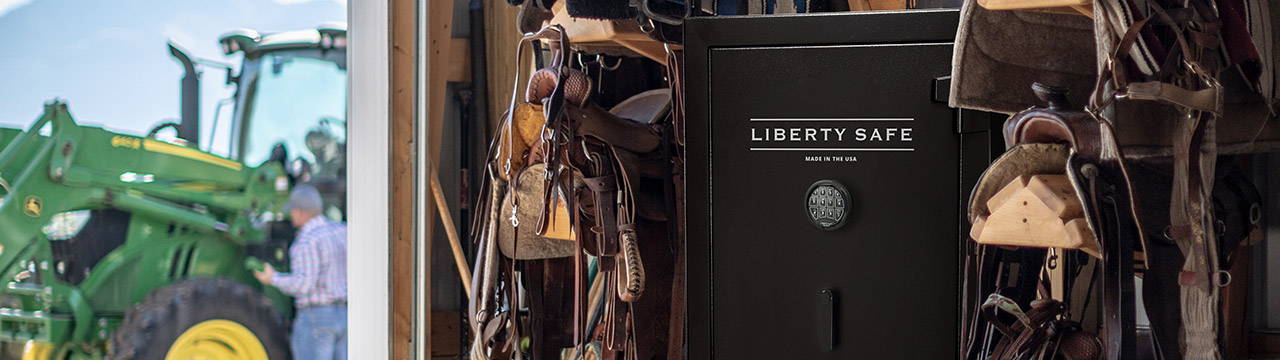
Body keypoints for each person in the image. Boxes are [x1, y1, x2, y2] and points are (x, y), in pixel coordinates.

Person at [254, 184, 348, 360]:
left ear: (299, 212)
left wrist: (273, 278)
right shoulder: (342, 231)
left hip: (315, 317)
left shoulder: (306, 241)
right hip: (342, 313)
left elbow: (303, 285)